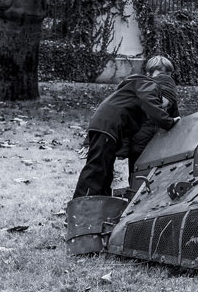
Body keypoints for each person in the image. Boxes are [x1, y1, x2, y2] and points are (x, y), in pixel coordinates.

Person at [72, 55, 180, 198]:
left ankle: (101, 204)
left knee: (105, 170)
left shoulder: (140, 88)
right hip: (108, 127)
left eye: (168, 74)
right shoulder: (147, 85)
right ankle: (81, 207)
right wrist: (169, 122)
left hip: (108, 127)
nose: (165, 78)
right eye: (161, 73)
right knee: (96, 169)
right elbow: (152, 108)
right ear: (149, 74)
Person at [116, 70, 180, 187]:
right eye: (159, 71)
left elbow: (176, 121)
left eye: (167, 72)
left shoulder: (170, 97)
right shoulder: (145, 98)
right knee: (136, 177)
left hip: (159, 147)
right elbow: (127, 124)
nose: (164, 74)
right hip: (139, 147)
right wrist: (124, 149)